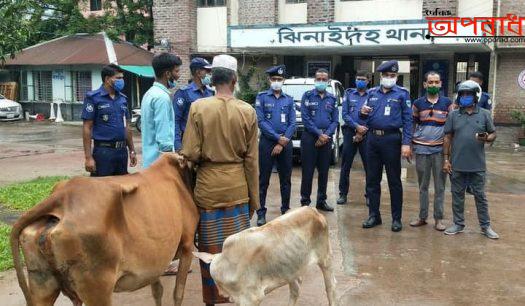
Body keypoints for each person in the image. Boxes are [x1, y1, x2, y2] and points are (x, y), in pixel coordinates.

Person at [180, 54, 259, 305]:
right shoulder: (247, 111)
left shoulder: (198, 108)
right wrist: (254, 199)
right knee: (238, 253)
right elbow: (252, 161)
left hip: (208, 189)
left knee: (211, 252)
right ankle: (238, 297)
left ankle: (213, 300)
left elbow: (190, 153)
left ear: (213, 80)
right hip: (237, 189)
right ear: (234, 80)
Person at [360, 60, 412, 232]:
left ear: (396, 77)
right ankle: (374, 215)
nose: (390, 78)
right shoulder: (371, 93)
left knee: (394, 180)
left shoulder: (402, 94)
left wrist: (406, 143)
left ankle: (396, 218)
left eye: (393, 76)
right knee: (372, 179)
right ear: (381, 76)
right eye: (387, 75)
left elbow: (408, 120)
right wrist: (362, 113)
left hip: (392, 140)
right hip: (372, 139)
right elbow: (365, 118)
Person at [443, 80, 499, 239]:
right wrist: (446, 160)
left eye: (468, 94)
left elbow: (493, 133)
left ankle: (485, 226)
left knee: (480, 196)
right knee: (457, 195)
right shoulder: (454, 115)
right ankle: (458, 224)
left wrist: (488, 137)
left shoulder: (484, 114)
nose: (465, 97)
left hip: (477, 165)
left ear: (475, 97)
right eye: (462, 94)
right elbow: (447, 137)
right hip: (457, 164)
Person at [409, 71, 453, 231]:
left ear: (441, 84)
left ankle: (438, 219)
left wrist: (450, 154)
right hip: (421, 149)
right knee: (423, 186)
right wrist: (409, 145)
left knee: (440, 186)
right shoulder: (418, 104)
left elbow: (451, 129)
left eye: (436, 82)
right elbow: (412, 125)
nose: (433, 85)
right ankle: (422, 217)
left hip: (441, 151)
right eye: (430, 82)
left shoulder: (448, 104)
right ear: (425, 84)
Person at [255, 65, 296, 226]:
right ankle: (261, 212)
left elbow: (293, 122)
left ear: (283, 80)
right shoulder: (262, 97)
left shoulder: (289, 99)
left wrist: (284, 139)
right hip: (267, 143)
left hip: (286, 143)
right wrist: (277, 138)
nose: (277, 82)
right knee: (263, 179)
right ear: (269, 80)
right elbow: (261, 121)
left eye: (279, 79)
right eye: (274, 79)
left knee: (286, 179)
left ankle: (285, 210)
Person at [82, 64, 137, 176]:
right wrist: (88, 157)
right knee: (102, 189)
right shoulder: (93, 98)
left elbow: (127, 127)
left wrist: (132, 151)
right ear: (107, 79)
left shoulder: (123, 99)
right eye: (118, 78)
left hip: (121, 152)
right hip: (103, 152)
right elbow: (87, 128)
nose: (122, 81)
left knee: (121, 187)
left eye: (122, 78)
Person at [300, 68, 338, 212]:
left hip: (326, 140)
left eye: (324, 79)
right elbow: (305, 119)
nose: (321, 81)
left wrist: (325, 135)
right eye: (318, 79)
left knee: (324, 172)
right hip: (310, 138)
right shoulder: (307, 96)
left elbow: (335, 121)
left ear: (328, 81)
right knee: (308, 172)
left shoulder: (332, 98)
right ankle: (305, 202)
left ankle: (321, 201)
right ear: (315, 80)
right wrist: (318, 134)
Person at [141, 53, 182, 168]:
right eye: (177, 72)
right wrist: (172, 160)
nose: (178, 76)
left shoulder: (150, 93)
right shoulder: (162, 98)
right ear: (168, 74)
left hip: (150, 162)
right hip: (160, 165)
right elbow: (164, 138)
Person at [337, 70, 370, 206]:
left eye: (363, 79)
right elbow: (345, 115)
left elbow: (373, 115)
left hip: (367, 134)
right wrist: (357, 127)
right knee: (346, 165)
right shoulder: (349, 94)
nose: (360, 81)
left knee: (369, 166)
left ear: (368, 80)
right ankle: (343, 194)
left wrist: (362, 132)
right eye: (358, 79)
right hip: (350, 133)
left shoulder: (373, 95)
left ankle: (369, 195)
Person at [173, 57, 214, 151]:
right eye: (207, 71)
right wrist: (178, 145)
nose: (210, 74)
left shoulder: (209, 92)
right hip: (189, 141)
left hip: (207, 142)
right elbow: (175, 120)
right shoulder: (183, 93)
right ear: (198, 72)